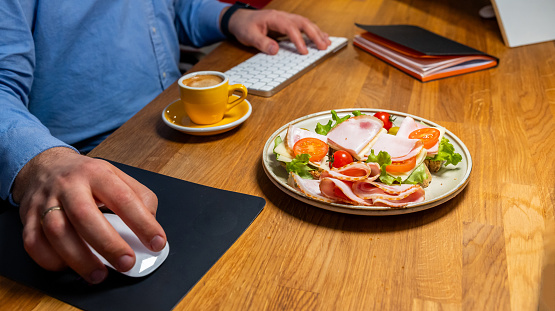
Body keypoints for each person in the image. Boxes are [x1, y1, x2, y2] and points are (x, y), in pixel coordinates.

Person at [0, 0, 331, 284]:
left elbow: (176, 8)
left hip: (170, 131)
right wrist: (41, 162)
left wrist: (231, 17)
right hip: (81, 162)